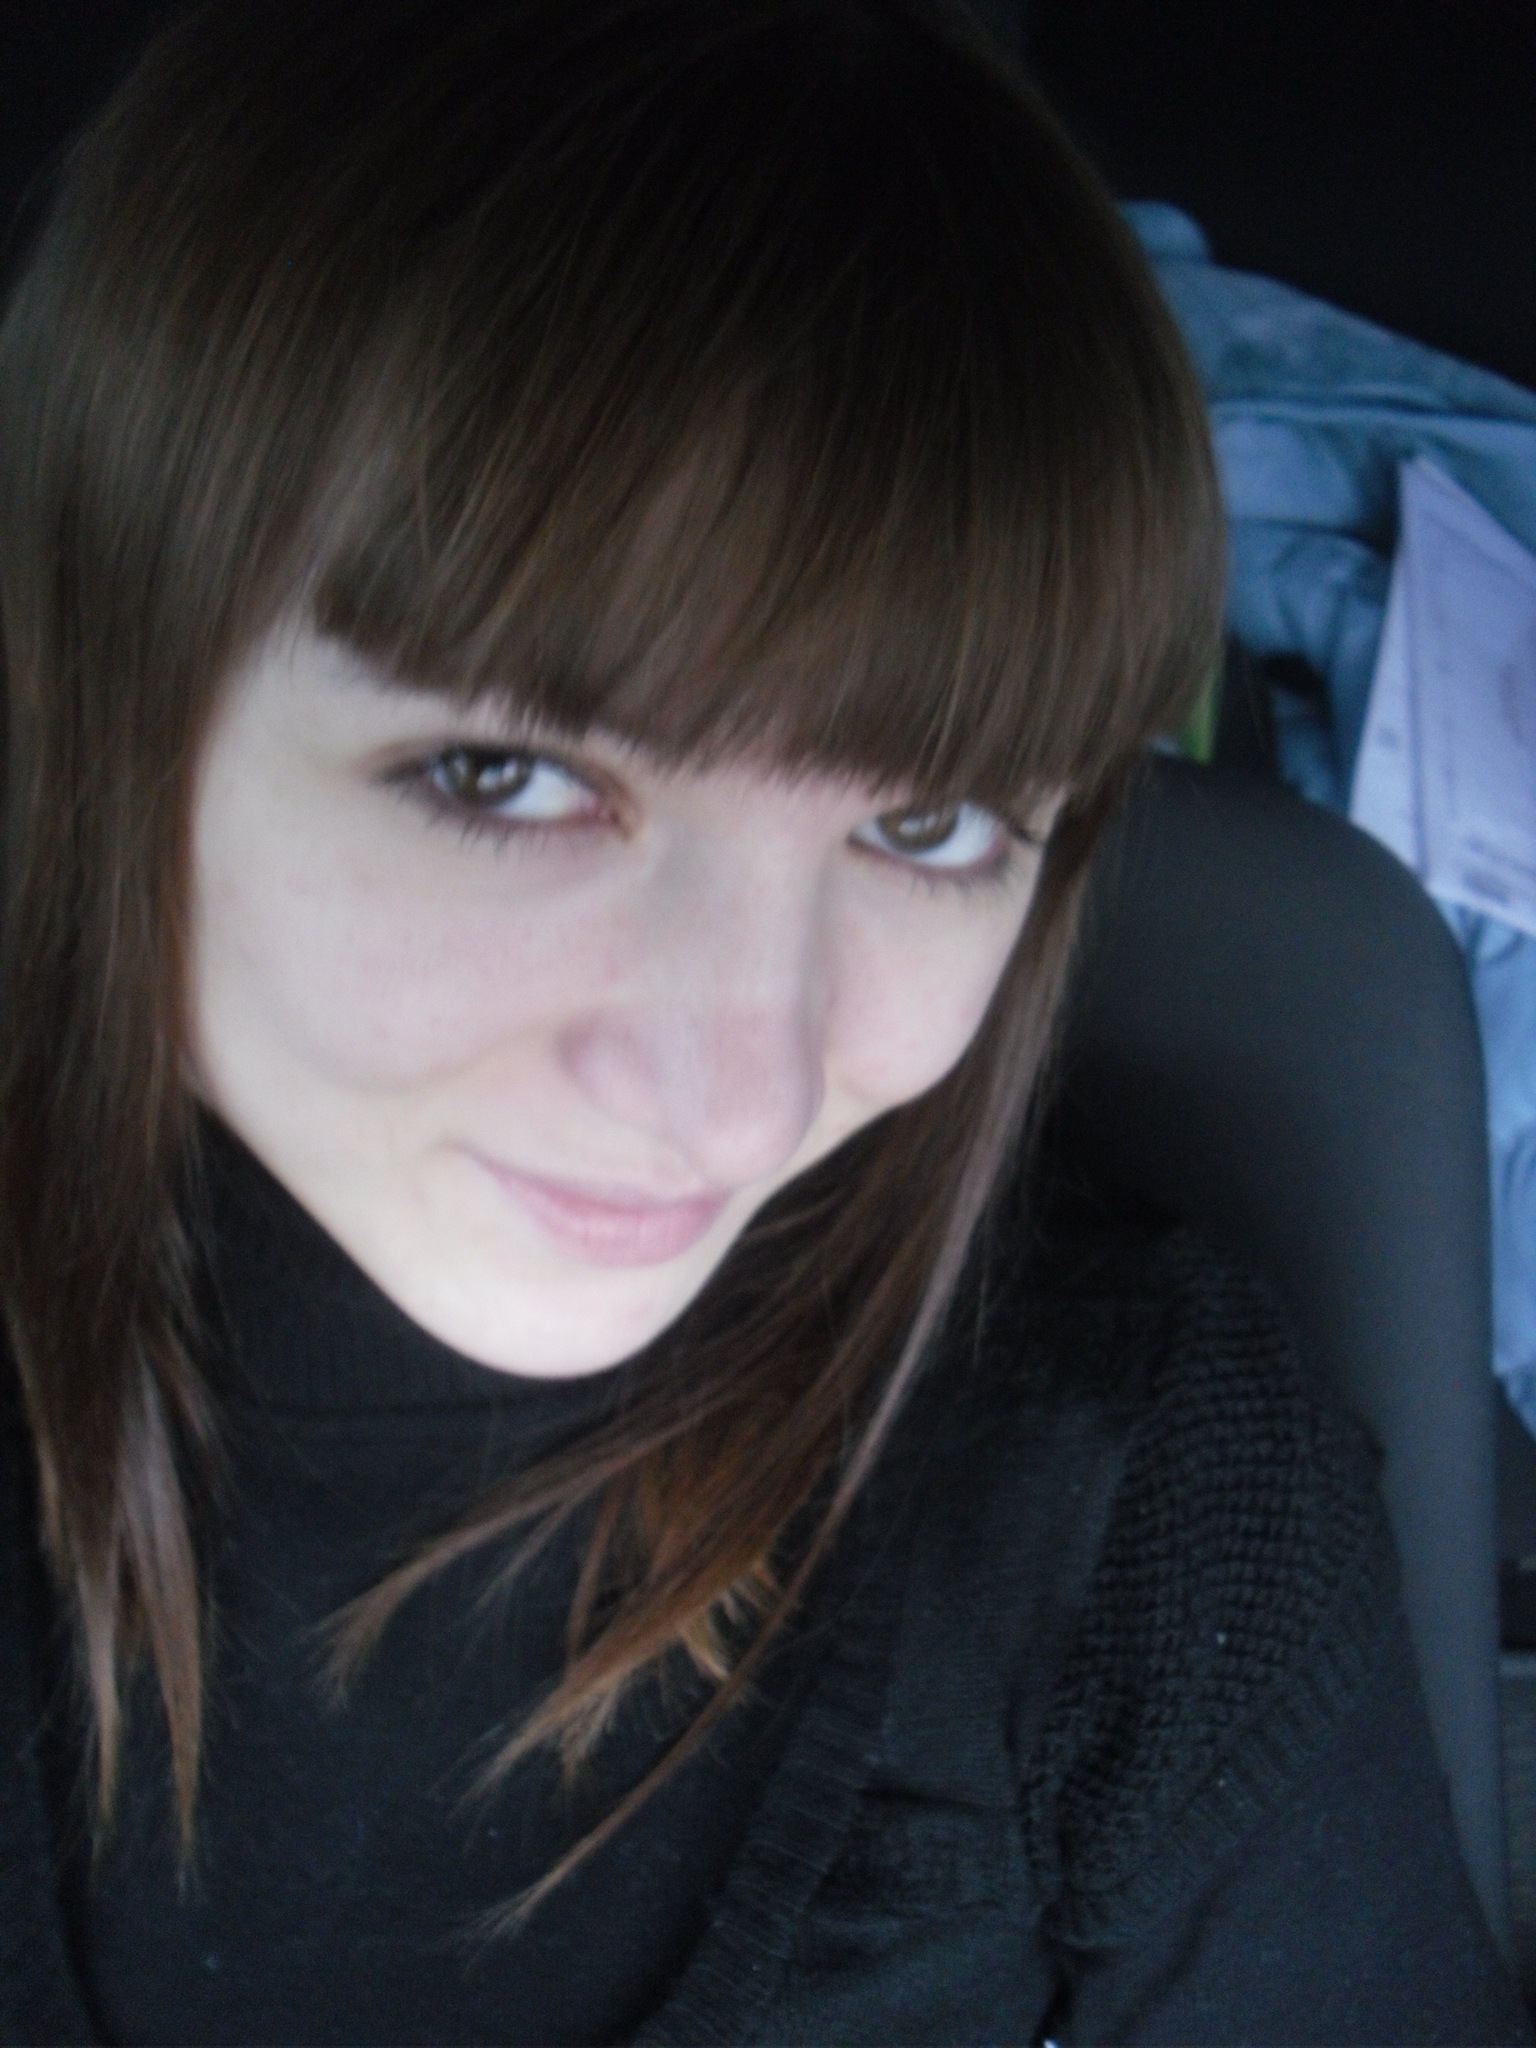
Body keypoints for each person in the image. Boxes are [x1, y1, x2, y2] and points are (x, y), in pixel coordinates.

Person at [0, 2, 1525, 2042]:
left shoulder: (1153, 1514)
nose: (736, 1089)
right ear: (93, 701)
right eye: (506, 778)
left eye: (928, 822)